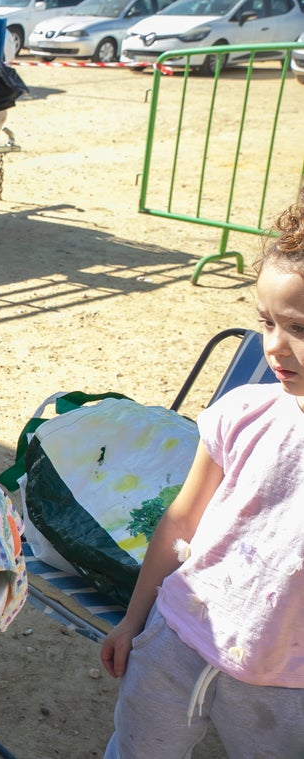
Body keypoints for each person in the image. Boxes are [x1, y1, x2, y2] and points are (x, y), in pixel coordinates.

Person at [99, 190, 304, 758]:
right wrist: (133, 621)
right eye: (266, 322)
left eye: (298, 327)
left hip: (286, 686)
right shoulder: (243, 412)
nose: (274, 347)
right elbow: (181, 522)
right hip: (177, 641)